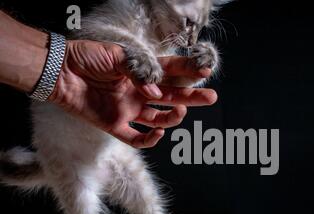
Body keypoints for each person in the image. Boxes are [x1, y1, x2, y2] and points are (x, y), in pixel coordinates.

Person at [0, 11, 218, 148]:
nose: (190, 41)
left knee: (148, 205)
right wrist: (63, 65)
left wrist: (61, 64)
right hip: (59, 130)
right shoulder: (131, 9)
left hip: (103, 133)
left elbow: (171, 79)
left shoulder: (167, 33)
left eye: (198, 29)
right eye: (191, 24)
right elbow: (90, 29)